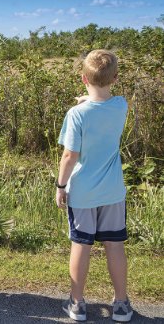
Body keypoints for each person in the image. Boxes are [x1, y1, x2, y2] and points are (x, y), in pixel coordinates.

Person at [56, 49, 133, 322]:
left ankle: (77, 303)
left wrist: (60, 185)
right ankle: (121, 304)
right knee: (114, 245)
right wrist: (88, 99)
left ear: (83, 78)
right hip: (112, 191)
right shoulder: (121, 105)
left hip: (83, 193)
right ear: (115, 78)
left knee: (81, 245)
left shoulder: (76, 114)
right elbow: (102, 104)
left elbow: (69, 155)